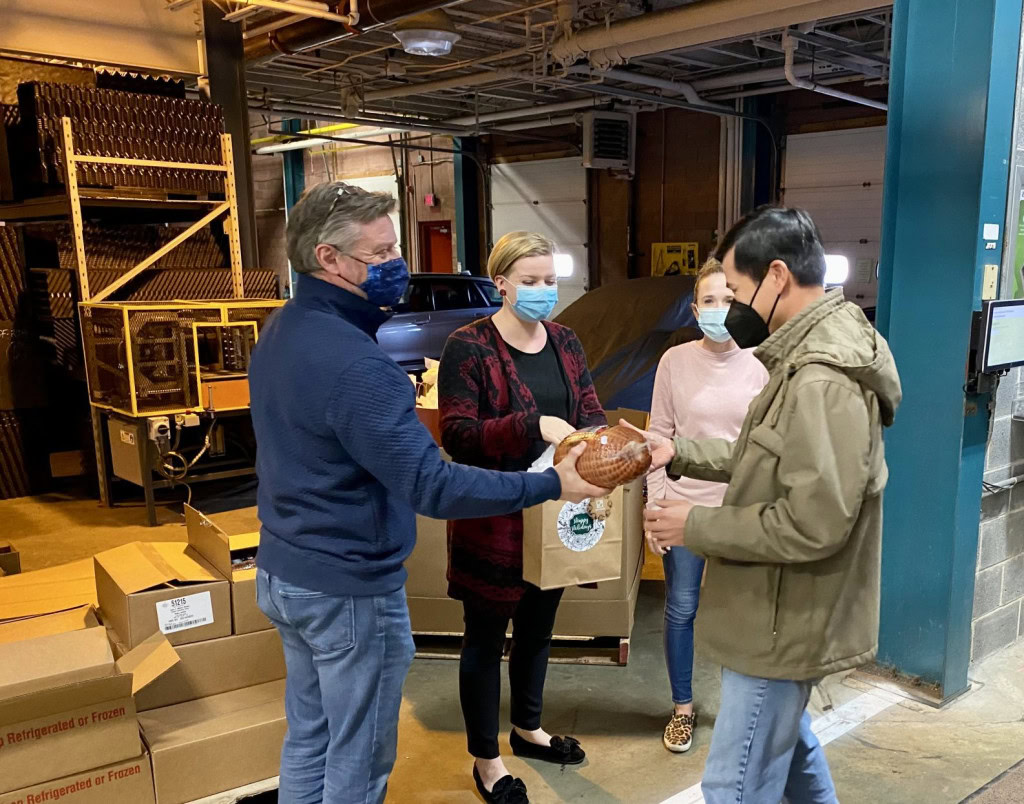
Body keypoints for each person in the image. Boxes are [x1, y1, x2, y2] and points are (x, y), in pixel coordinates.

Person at [248, 184, 608, 804]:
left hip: (287, 569)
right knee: (358, 757)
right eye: (382, 252)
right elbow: (432, 483)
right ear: (330, 259)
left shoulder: (283, 328)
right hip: (346, 587)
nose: (398, 265)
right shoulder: (361, 366)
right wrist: (550, 481)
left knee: (312, 735)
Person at [636, 206, 901, 803]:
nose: (727, 306)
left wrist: (695, 523)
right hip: (779, 606)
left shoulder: (821, 379)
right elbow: (764, 457)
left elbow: (814, 524)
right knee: (794, 755)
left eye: (732, 289)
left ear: (775, 276)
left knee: (734, 785)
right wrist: (676, 452)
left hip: (785, 616)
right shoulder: (797, 359)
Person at [439, 231, 605, 804]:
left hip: (553, 512)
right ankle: (487, 760)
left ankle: (527, 728)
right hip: (493, 518)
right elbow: (457, 436)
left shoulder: (566, 341)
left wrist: (604, 453)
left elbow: (590, 410)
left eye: (550, 281)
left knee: (538, 631)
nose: (542, 292)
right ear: (501, 284)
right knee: (484, 641)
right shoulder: (470, 346)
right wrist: (532, 426)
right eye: (529, 282)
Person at [646, 258, 768, 754]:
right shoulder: (674, 361)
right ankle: (682, 709)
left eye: (729, 300)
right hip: (684, 512)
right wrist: (655, 508)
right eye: (709, 301)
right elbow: (658, 437)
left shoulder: (763, 361)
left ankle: (746, 714)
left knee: (744, 614)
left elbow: (766, 447)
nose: (719, 309)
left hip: (739, 513)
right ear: (694, 308)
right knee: (681, 609)